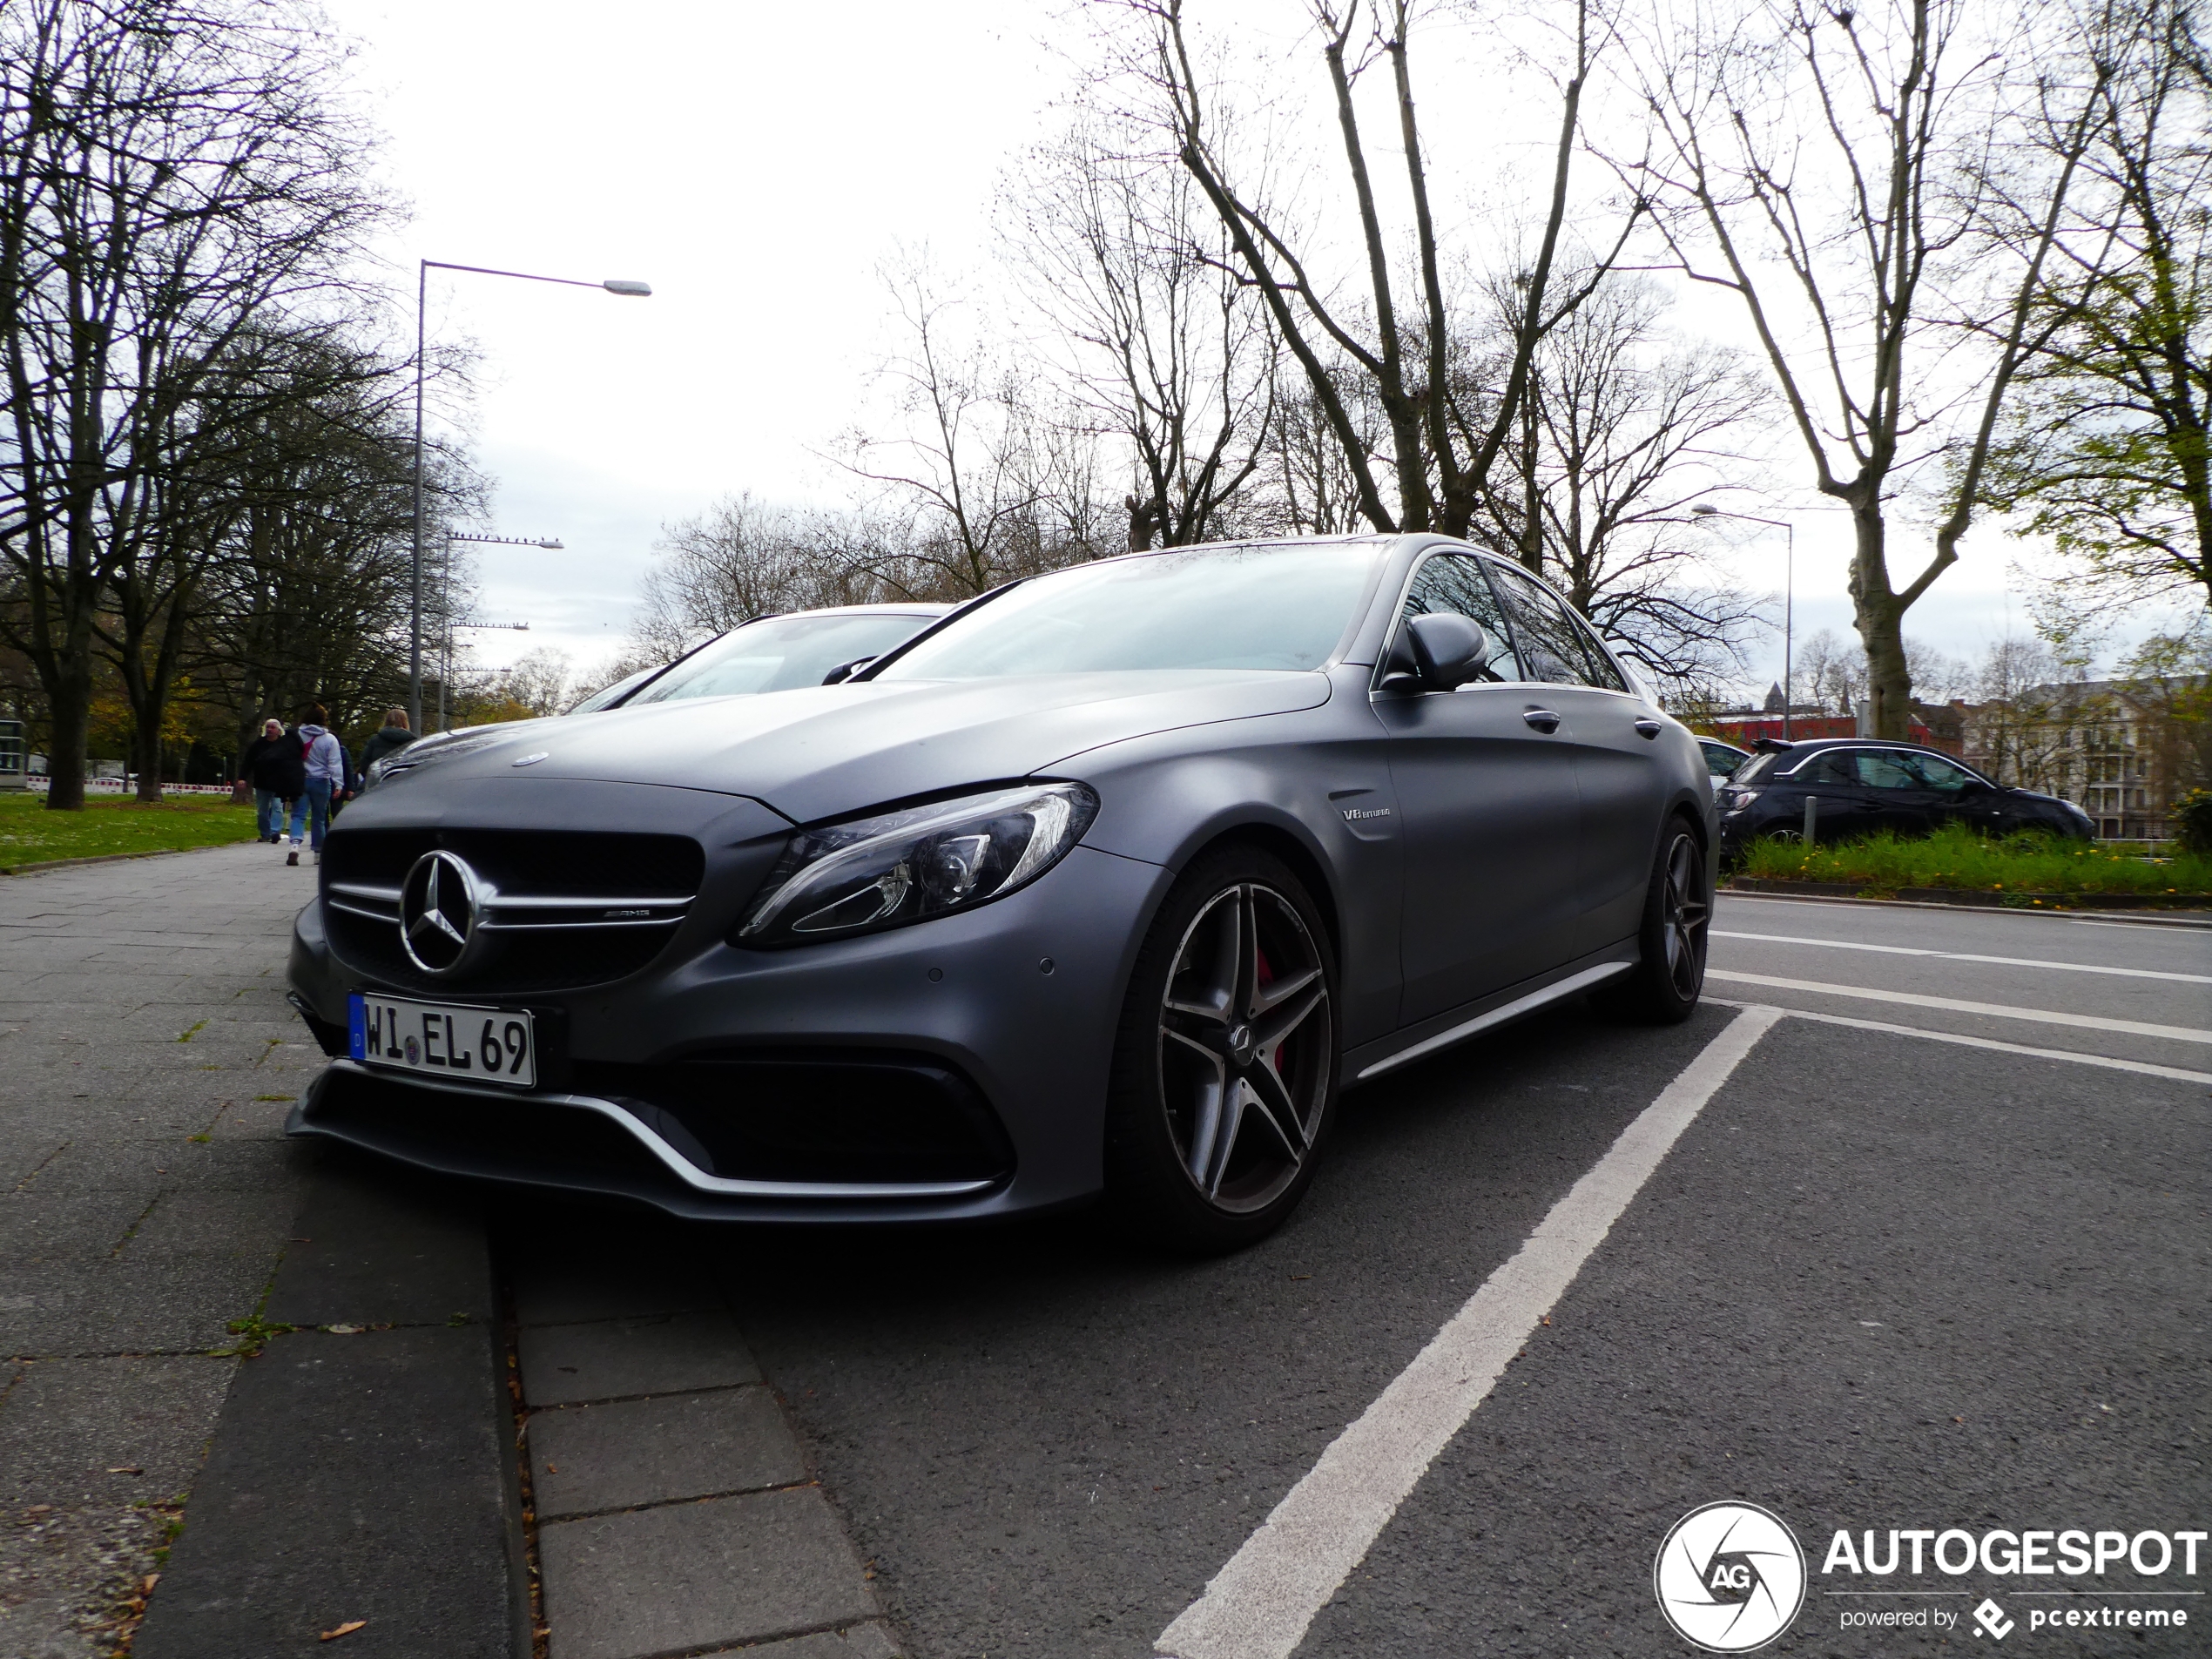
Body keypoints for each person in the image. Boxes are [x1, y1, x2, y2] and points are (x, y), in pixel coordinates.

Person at [286, 705, 347, 867]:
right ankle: (318, 854)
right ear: (323, 719)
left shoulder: (296, 735)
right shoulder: (330, 739)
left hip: (300, 780)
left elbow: (289, 759)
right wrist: (339, 783)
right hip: (321, 781)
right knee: (319, 818)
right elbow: (335, 762)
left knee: (298, 815)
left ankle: (295, 846)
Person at [241, 718, 302, 843]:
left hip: (279, 784)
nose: (269, 729)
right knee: (262, 811)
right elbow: (248, 761)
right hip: (262, 782)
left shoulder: (284, 745)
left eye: (273, 727)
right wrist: (242, 778)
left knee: (277, 808)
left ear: (279, 730)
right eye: (268, 727)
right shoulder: (258, 744)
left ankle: (275, 832)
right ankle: (265, 833)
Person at [358, 706, 416, 775]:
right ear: (405, 722)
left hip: (380, 780)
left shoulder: (375, 740)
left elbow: (364, 764)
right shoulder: (411, 741)